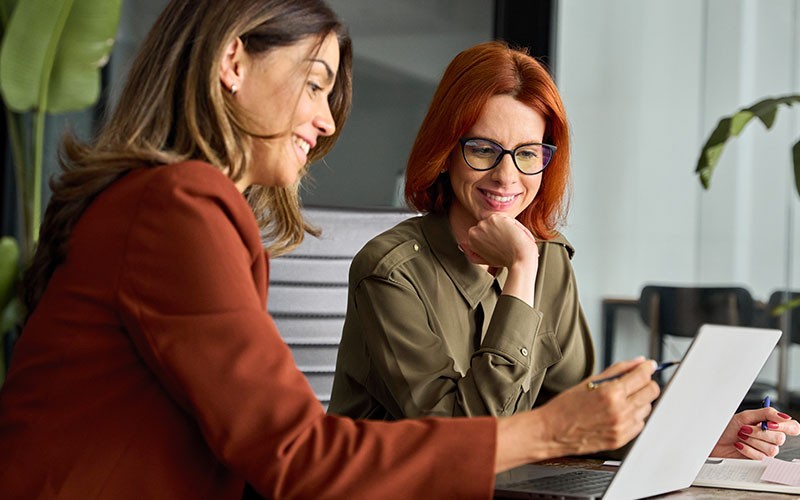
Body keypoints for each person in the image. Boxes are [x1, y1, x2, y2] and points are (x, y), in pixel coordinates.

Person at [0, 2, 667, 498]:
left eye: (528, 155)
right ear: (232, 62)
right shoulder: (176, 207)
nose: (325, 122)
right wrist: (552, 431)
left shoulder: (168, 204)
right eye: (315, 82)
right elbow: (295, 453)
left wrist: (666, 435)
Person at [328, 41, 799, 460]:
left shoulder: (549, 257)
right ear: (446, 150)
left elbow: (576, 413)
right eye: (483, 149)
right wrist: (520, 271)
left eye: (528, 153)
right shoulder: (391, 271)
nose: (507, 177)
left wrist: (698, 437)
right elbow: (466, 440)